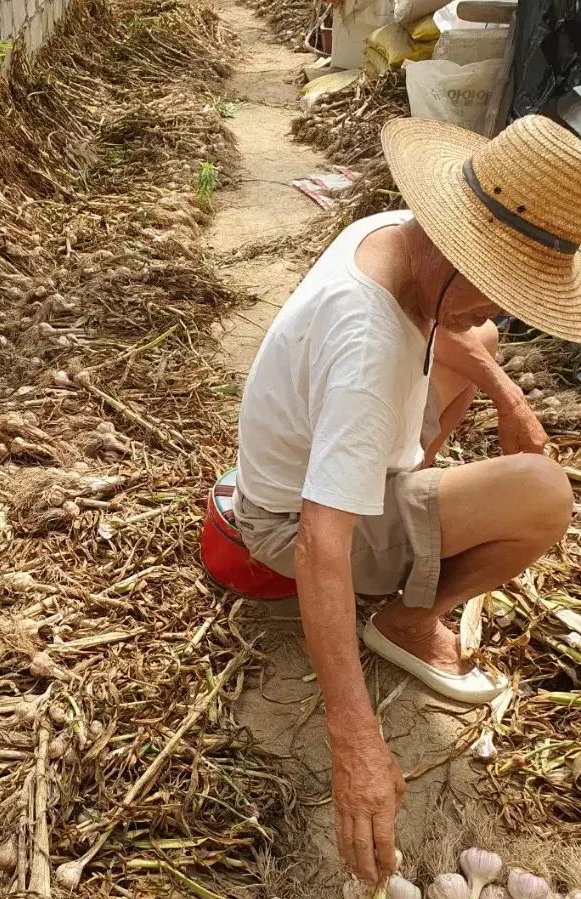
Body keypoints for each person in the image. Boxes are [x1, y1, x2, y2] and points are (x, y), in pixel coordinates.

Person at [233, 114, 580, 886]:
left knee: (474, 348)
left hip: (303, 474)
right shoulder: (366, 351)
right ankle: (405, 615)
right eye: (502, 287)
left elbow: (453, 332)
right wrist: (353, 737)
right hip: (289, 522)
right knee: (541, 496)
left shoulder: (393, 230)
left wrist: (506, 396)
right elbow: (319, 543)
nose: (500, 310)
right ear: (460, 251)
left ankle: (406, 529)